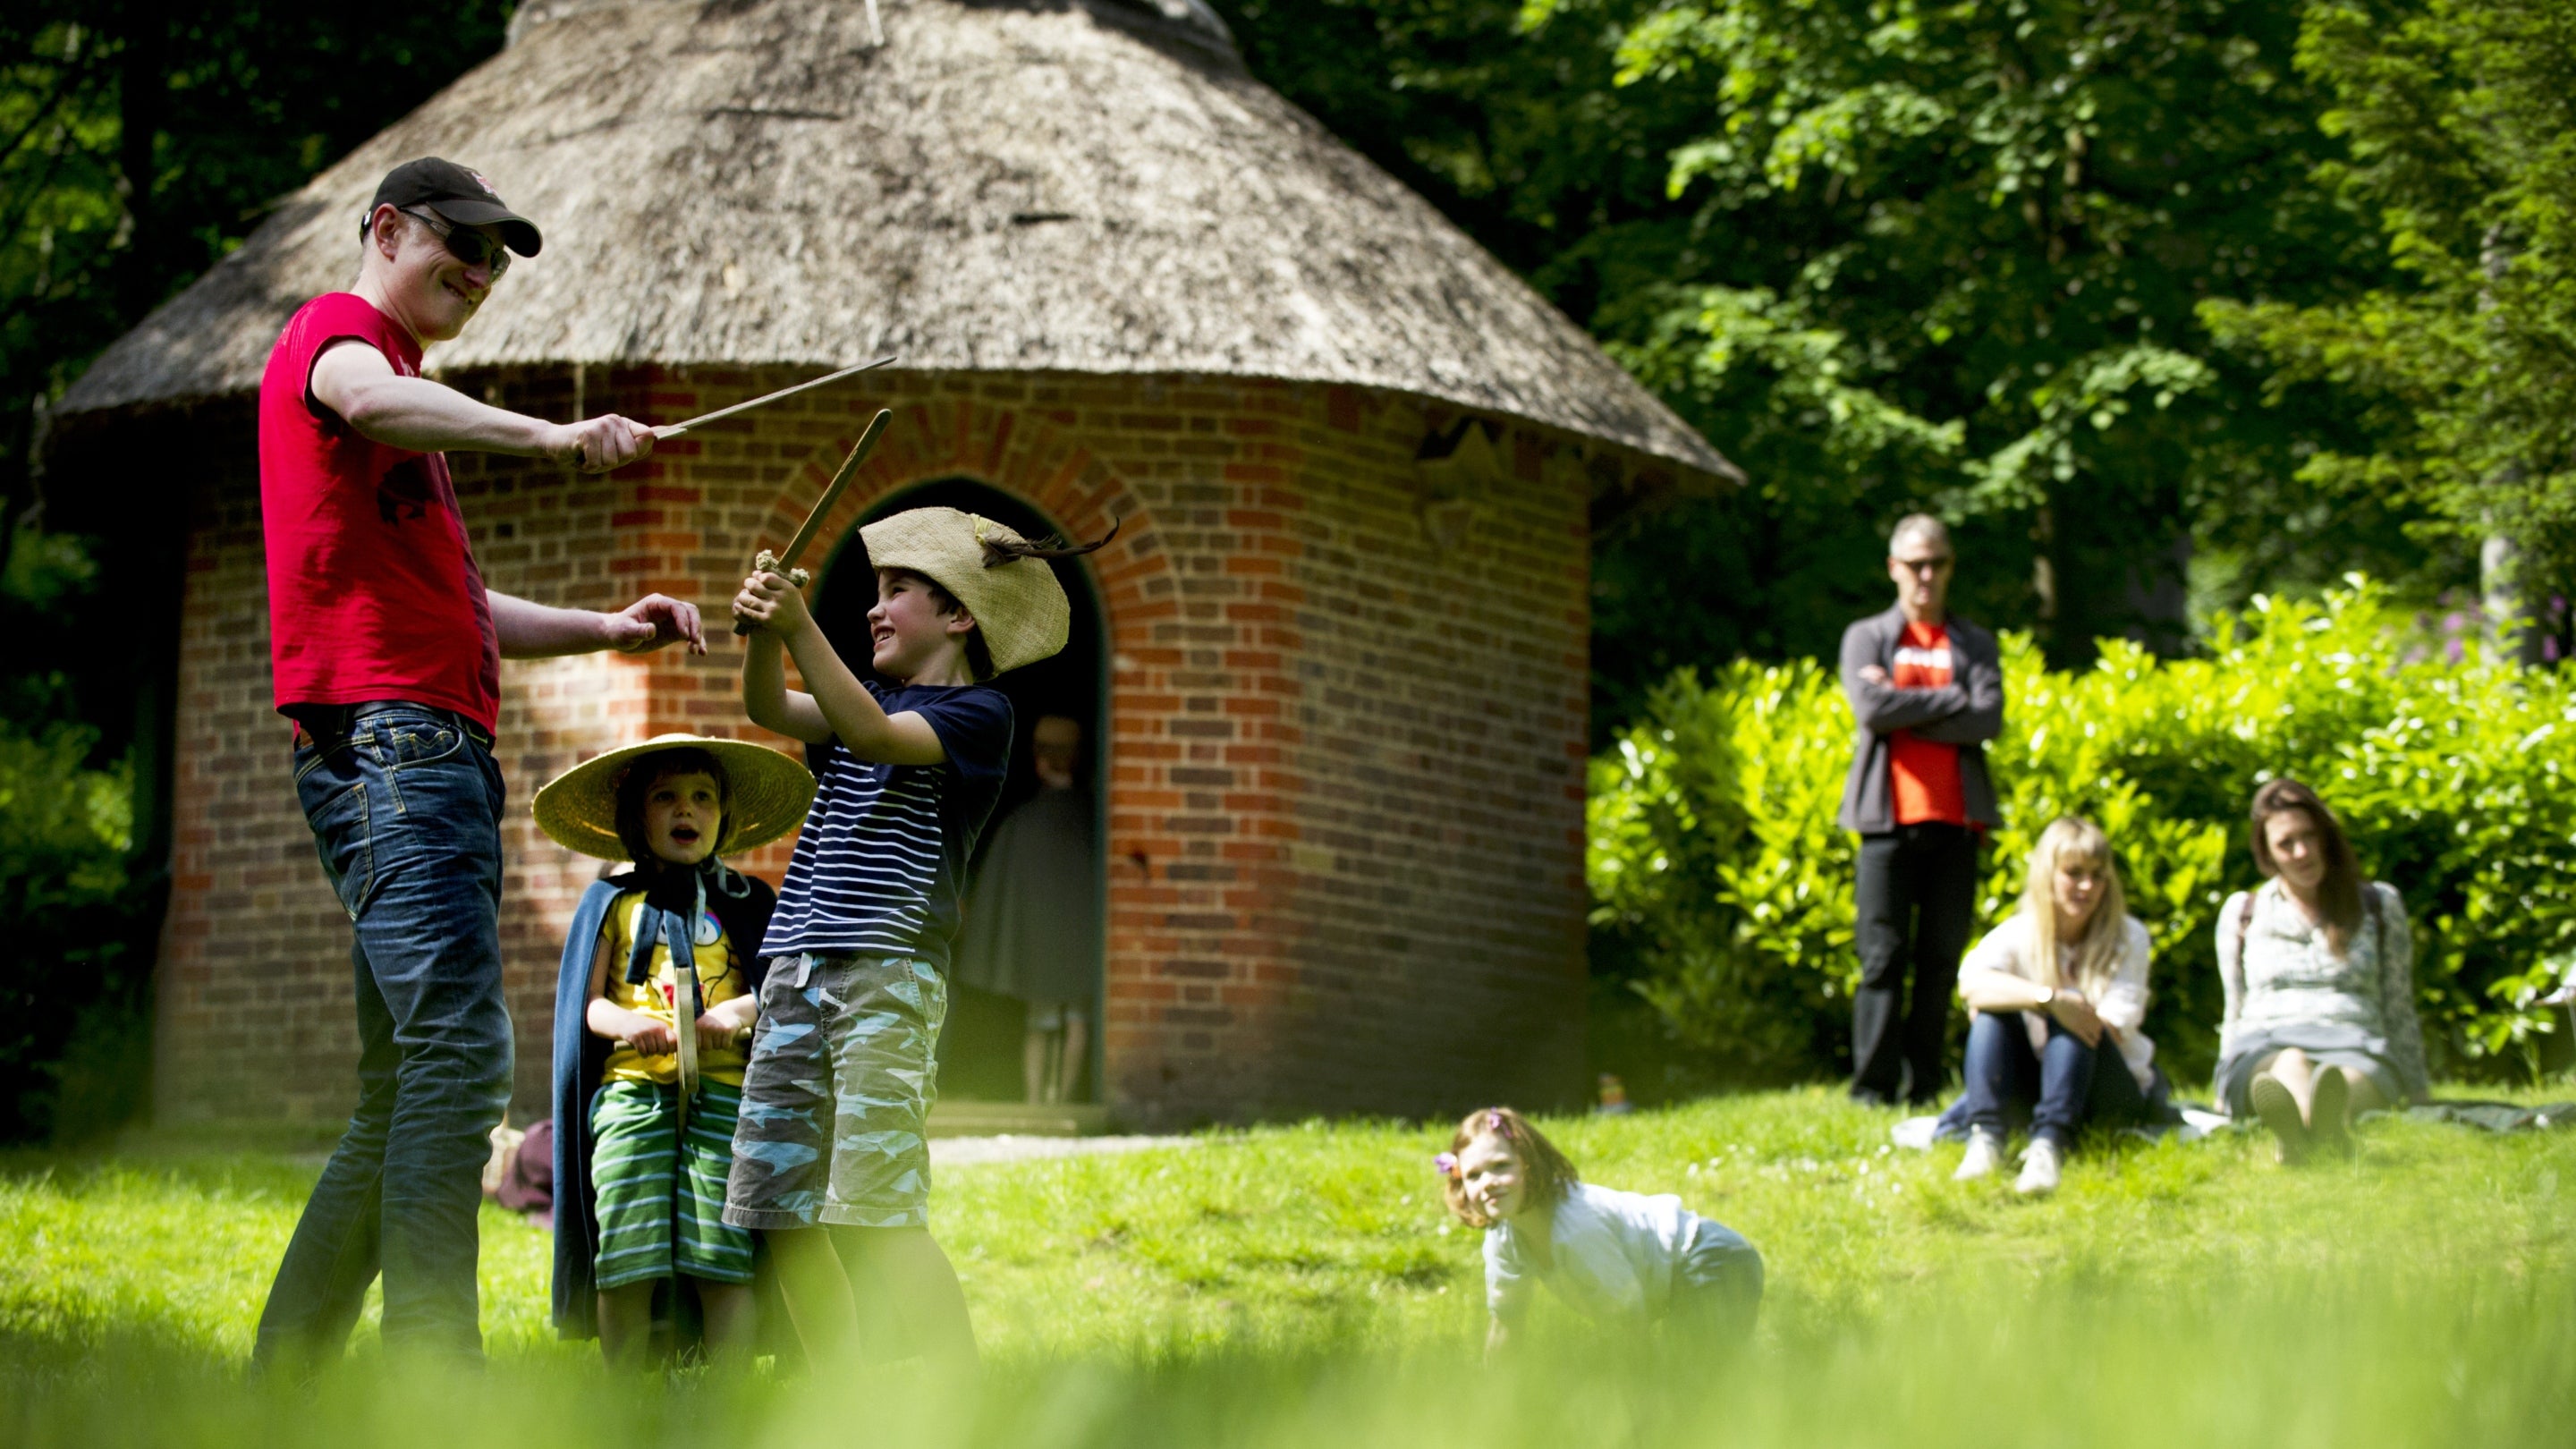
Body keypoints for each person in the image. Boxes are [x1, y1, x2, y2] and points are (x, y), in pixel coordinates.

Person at [252, 157, 706, 1373]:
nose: (483, 271)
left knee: (406, 1080)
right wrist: (557, 436)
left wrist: (608, 629)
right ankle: (435, 1376)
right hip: (398, 749)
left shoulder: (398, 423)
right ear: (388, 227)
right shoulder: (342, 342)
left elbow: (460, 603)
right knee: (459, 1056)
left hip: (415, 745)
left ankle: (285, 1377)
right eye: (465, 243)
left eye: (498, 259)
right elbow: (366, 396)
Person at [726, 505, 1112, 1377]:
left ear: (959, 616)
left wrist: (798, 624)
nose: (874, 607)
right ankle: (843, 1394)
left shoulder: (983, 714)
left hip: (886, 978)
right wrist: (762, 630)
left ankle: (956, 1397)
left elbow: (869, 734)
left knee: (874, 1205)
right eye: (872, 591)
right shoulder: (862, 695)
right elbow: (764, 704)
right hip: (795, 970)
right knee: (776, 1207)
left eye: (898, 591)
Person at [533, 736, 816, 1369]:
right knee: (628, 1255)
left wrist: (733, 1014)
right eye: (665, 797)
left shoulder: (748, 903)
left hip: (725, 1101)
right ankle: (626, 1396)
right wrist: (630, 1024)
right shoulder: (613, 904)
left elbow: (775, 996)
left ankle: (726, 1397)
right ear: (637, 816)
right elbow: (589, 1007)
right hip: (632, 1099)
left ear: (724, 815)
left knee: (722, 1256)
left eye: (702, 797)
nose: (685, 811)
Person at [1837, 514, 2004, 1106]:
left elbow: (1988, 718)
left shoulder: (1974, 642)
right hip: (1886, 822)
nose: (1925, 575)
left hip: (1957, 822)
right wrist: (1949, 699)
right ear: (1894, 569)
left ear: (1950, 566)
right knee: (1881, 959)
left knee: (1940, 963)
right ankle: (1871, 1091)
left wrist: (1906, 701)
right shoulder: (1867, 636)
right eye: (1914, 564)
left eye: (1936, 563)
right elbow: (1872, 709)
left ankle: (1925, 1088)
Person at [1945, 818, 2171, 1195]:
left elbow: (2114, 1026)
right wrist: (2044, 999)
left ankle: (2050, 1145)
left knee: (2076, 1013)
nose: (2087, 886)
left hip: (2105, 1088)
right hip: (2037, 1083)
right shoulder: (2020, 932)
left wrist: (2061, 1007)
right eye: (2074, 873)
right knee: (1996, 1013)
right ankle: (1986, 1139)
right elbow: (1971, 983)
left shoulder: (2129, 936)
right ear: (2047, 875)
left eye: (2098, 876)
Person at [2216, 779, 2430, 1164]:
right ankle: (2316, 1130)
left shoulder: (2379, 904)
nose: (2302, 852)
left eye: (2309, 837)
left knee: (2340, 1079)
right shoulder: (2243, 911)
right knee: (2291, 1061)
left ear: (2326, 837)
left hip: (2356, 1042)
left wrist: (2416, 1088)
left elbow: (2399, 1003)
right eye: (2286, 843)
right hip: (2267, 1041)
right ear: (2267, 853)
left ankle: (2305, 1135)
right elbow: (2235, 1004)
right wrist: (2221, 1091)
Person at [1440, 1107, 1763, 1355]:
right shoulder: (1504, 1237)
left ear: (1528, 1163)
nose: (1488, 1184)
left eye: (1500, 1166)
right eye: (1473, 1176)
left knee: (1692, 1383)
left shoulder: (1575, 1227)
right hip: (1669, 1282)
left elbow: (1630, 1322)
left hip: (1713, 1259)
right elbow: (1506, 1323)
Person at [954, 714, 1100, 1104]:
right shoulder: (1097, 821)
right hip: (1084, 946)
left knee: (1040, 1022)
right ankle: (1062, 1099)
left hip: (1039, 950)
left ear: (1039, 761)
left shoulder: (1022, 823)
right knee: (1077, 1021)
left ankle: (1038, 1101)